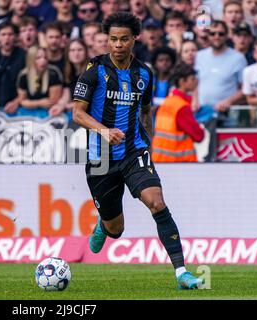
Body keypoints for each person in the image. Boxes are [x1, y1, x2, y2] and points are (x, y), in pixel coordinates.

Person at [72, 12, 204, 289]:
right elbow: (77, 114)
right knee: (115, 230)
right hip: (101, 158)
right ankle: (103, 224)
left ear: (134, 39)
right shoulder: (94, 70)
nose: (117, 44)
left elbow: (145, 112)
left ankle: (182, 273)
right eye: (112, 39)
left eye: (123, 39)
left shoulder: (144, 73)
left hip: (134, 152)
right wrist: (105, 131)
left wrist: (149, 145)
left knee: (156, 202)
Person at [194, 20, 247, 126]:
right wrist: (194, 100)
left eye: (221, 33)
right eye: (212, 33)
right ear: (208, 36)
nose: (216, 36)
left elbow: (245, 89)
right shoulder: (199, 56)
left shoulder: (238, 58)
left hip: (227, 115)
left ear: (227, 35)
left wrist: (229, 101)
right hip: (202, 113)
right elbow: (196, 82)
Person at [152, 63, 204, 162]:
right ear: (182, 82)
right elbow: (199, 136)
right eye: (192, 79)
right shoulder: (181, 107)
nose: (195, 82)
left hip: (160, 159)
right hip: (179, 163)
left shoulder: (168, 101)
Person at [16, 46, 63, 113]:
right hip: (29, 111)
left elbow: (53, 101)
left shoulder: (53, 73)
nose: (43, 61)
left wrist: (31, 103)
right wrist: (39, 103)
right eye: (38, 58)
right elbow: (22, 101)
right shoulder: (24, 75)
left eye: (45, 57)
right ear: (31, 59)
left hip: (49, 111)